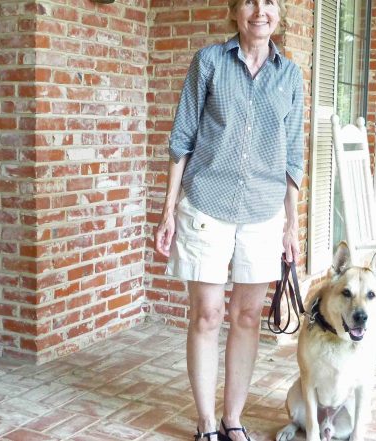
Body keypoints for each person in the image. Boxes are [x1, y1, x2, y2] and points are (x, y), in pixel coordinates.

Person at [153, 0, 304, 440]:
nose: (260, 11)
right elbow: (182, 137)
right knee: (206, 314)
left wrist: (292, 224)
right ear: (236, 11)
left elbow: (294, 155)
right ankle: (205, 422)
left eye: (269, 2)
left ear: (279, 13)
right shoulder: (209, 62)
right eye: (250, 1)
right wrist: (167, 210)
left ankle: (231, 419)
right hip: (206, 203)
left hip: (263, 210)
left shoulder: (290, 75)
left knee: (247, 315)